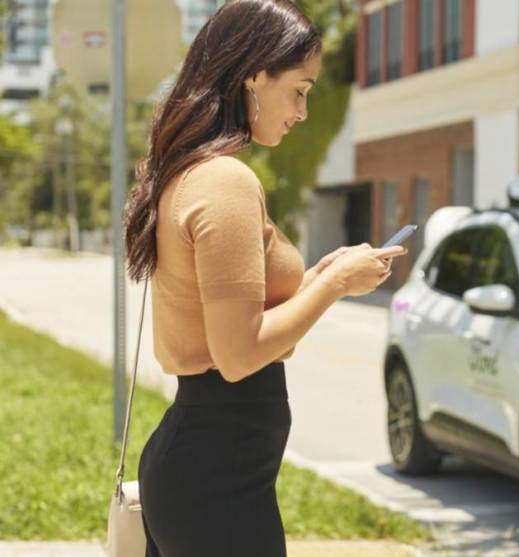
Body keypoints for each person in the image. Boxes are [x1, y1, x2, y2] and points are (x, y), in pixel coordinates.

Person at [120, 1, 404, 555]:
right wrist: (333, 285)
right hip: (214, 479)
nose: (302, 111)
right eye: (299, 89)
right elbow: (239, 353)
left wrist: (322, 273)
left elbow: (232, 319)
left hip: (210, 468)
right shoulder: (224, 180)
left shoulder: (195, 172)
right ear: (255, 76)